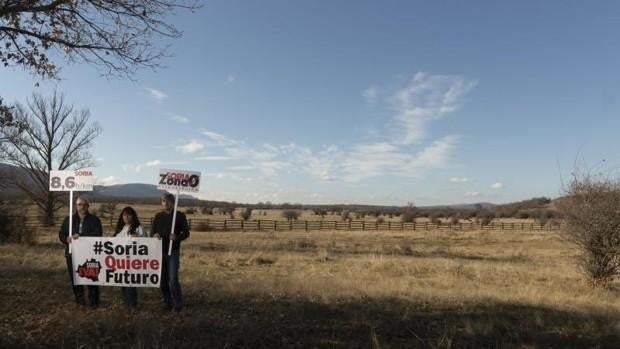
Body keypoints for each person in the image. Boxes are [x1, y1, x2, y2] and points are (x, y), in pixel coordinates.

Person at [58, 195, 103, 308]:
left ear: (88, 206)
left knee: (91, 278)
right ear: (76, 206)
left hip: (89, 255)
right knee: (75, 279)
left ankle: (94, 304)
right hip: (72, 254)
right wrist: (65, 239)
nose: (82, 207)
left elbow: (98, 234)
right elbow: (61, 234)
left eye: (84, 204)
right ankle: (80, 302)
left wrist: (81, 236)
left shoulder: (94, 220)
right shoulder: (69, 220)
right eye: (79, 204)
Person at [151, 193, 190, 312]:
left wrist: (177, 237)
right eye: (163, 201)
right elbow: (152, 232)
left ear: (173, 202)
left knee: (172, 279)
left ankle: (177, 305)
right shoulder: (158, 216)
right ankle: (167, 302)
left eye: (168, 201)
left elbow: (186, 233)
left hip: (172, 252)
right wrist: (155, 235)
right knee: (162, 280)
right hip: (160, 252)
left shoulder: (179, 216)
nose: (165, 203)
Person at [114, 206, 146, 310]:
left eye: (129, 214)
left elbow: (147, 243)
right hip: (120, 261)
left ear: (133, 216)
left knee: (130, 283)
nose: (126, 217)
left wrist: (139, 238)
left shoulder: (138, 228)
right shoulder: (121, 228)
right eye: (124, 215)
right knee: (123, 283)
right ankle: (126, 304)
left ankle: (132, 305)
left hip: (133, 262)